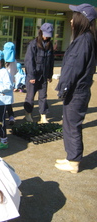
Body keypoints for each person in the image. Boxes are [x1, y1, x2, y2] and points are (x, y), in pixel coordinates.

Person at [55, 4, 97, 174]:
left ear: (82, 19)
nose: (71, 20)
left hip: (76, 92)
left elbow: (74, 68)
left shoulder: (84, 40)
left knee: (72, 126)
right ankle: (70, 156)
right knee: (69, 125)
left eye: (74, 16)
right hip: (77, 91)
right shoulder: (85, 39)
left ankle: (74, 162)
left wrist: (63, 88)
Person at [23, 22, 54, 124]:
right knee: (30, 96)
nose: (46, 37)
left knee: (43, 97)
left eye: (48, 35)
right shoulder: (33, 44)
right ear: (40, 32)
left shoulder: (50, 45)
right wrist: (31, 75)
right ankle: (28, 114)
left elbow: (51, 61)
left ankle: (43, 115)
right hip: (33, 76)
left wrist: (49, 75)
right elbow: (29, 61)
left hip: (44, 76)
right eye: (45, 34)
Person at [3, 42, 17, 125]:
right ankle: (11, 117)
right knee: (8, 102)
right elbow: (15, 72)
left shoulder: (1, 59)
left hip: (1, 85)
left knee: (1, 102)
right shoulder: (14, 60)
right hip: (10, 84)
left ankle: (2, 118)